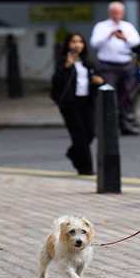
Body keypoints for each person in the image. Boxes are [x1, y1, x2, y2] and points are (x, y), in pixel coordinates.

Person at [51, 33, 104, 175]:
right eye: (73, 42)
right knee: (79, 136)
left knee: (90, 133)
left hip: (86, 102)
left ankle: (73, 153)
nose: (77, 44)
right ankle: (86, 169)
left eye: (80, 41)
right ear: (68, 45)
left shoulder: (88, 62)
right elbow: (57, 82)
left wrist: (99, 81)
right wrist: (67, 66)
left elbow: (95, 79)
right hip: (70, 104)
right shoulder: (62, 61)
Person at [90, 1, 140, 134]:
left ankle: (126, 125)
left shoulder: (127, 26)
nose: (116, 15)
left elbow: (137, 41)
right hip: (107, 66)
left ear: (122, 13)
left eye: (119, 12)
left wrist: (124, 38)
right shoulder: (101, 26)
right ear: (109, 12)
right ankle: (107, 126)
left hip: (126, 65)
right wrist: (108, 36)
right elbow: (94, 43)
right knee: (108, 96)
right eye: (114, 12)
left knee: (127, 96)